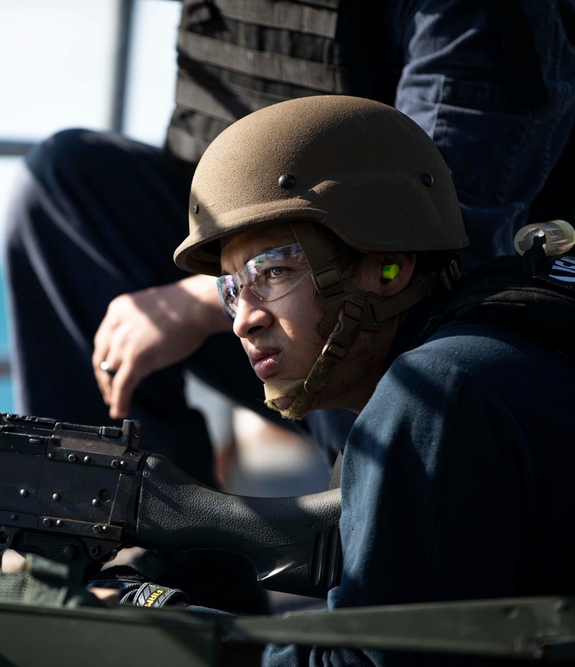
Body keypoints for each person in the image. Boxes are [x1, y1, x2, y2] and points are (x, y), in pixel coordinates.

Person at [4, 0, 575, 471]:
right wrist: (237, 279)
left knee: (335, 302)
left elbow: (435, 210)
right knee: (65, 182)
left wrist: (221, 292)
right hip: (262, 269)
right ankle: (135, 550)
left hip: (399, 299)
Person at [171, 93, 575, 665]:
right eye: (231, 288)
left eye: (274, 272)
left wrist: (166, 629)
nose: (244, 319)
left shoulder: (435, 394)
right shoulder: (505, 348)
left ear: (387, 267)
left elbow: (374, 661)